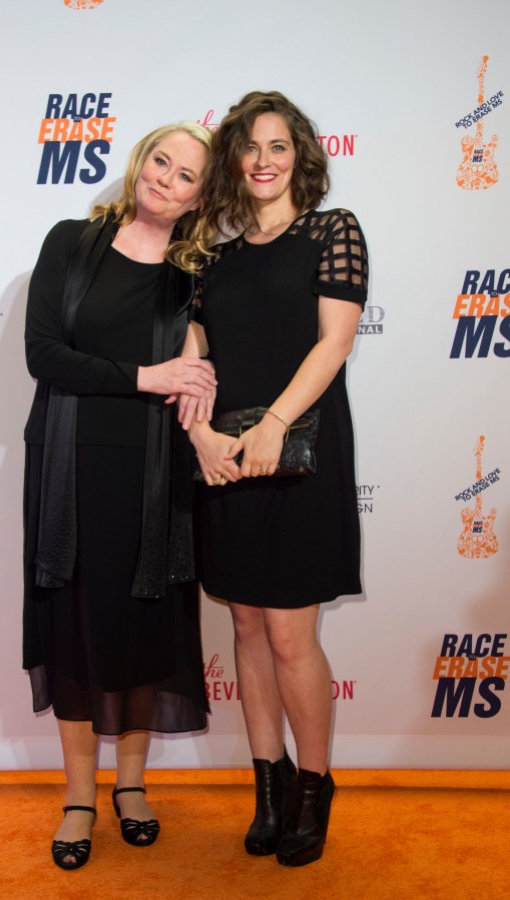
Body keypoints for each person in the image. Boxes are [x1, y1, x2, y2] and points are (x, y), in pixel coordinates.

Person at [22, 123, 216, 870]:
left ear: (202, 195)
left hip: (154, 474)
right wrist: (146, 375)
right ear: (140, 162)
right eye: (160, 160)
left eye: (187, 174)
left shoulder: (196, 274)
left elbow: (199, 367)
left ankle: (130, 787)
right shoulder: (71, 242)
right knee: (73, 625)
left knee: (143, 623)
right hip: (69, 469)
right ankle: (78, 796)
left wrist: (190, 373)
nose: (166, 178)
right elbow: (45, 354)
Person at [184, 91, 369, 867]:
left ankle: (315, 787)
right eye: (250, 147)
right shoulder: (210, 255)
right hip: (224, 461)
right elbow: (196, 359)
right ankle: (269, 782)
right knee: (247, 625)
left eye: (278, 145)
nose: (263, 160)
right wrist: (196, 431)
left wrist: (271, 426)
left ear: (301, 156)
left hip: (299, 457)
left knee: (292, 632)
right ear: (233, 161)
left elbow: (333, 345)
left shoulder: (333, 231)